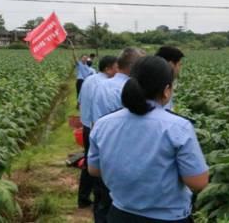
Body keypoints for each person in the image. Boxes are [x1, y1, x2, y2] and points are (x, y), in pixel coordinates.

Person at [88, 56, 209, 222]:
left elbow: (94, 170)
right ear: (166, 90)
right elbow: (198, 182)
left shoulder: (103, 124)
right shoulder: (178, 127)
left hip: (120, 213)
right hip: (167, 218)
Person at [89, 47, 146, 222]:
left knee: (102, 202)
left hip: (103, 153)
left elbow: (95, 121)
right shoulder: (134, 90)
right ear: (134, 67)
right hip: (127, 159)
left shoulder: (101, 85)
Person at [77, 55, 119, 208]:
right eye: (116, 67)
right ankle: (98, 200)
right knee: (99, 165)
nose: (118, 71)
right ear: (108, 68)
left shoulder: (89, 79)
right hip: (97, 127)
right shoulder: (106, 85)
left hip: (87, 126)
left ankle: (83, 198)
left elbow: (80, 101)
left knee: (89, 162)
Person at [155, 46, 184, 111]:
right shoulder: (162, 84)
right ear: (171, 64)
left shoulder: (149, 78)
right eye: (179, 64)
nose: (179, 68)